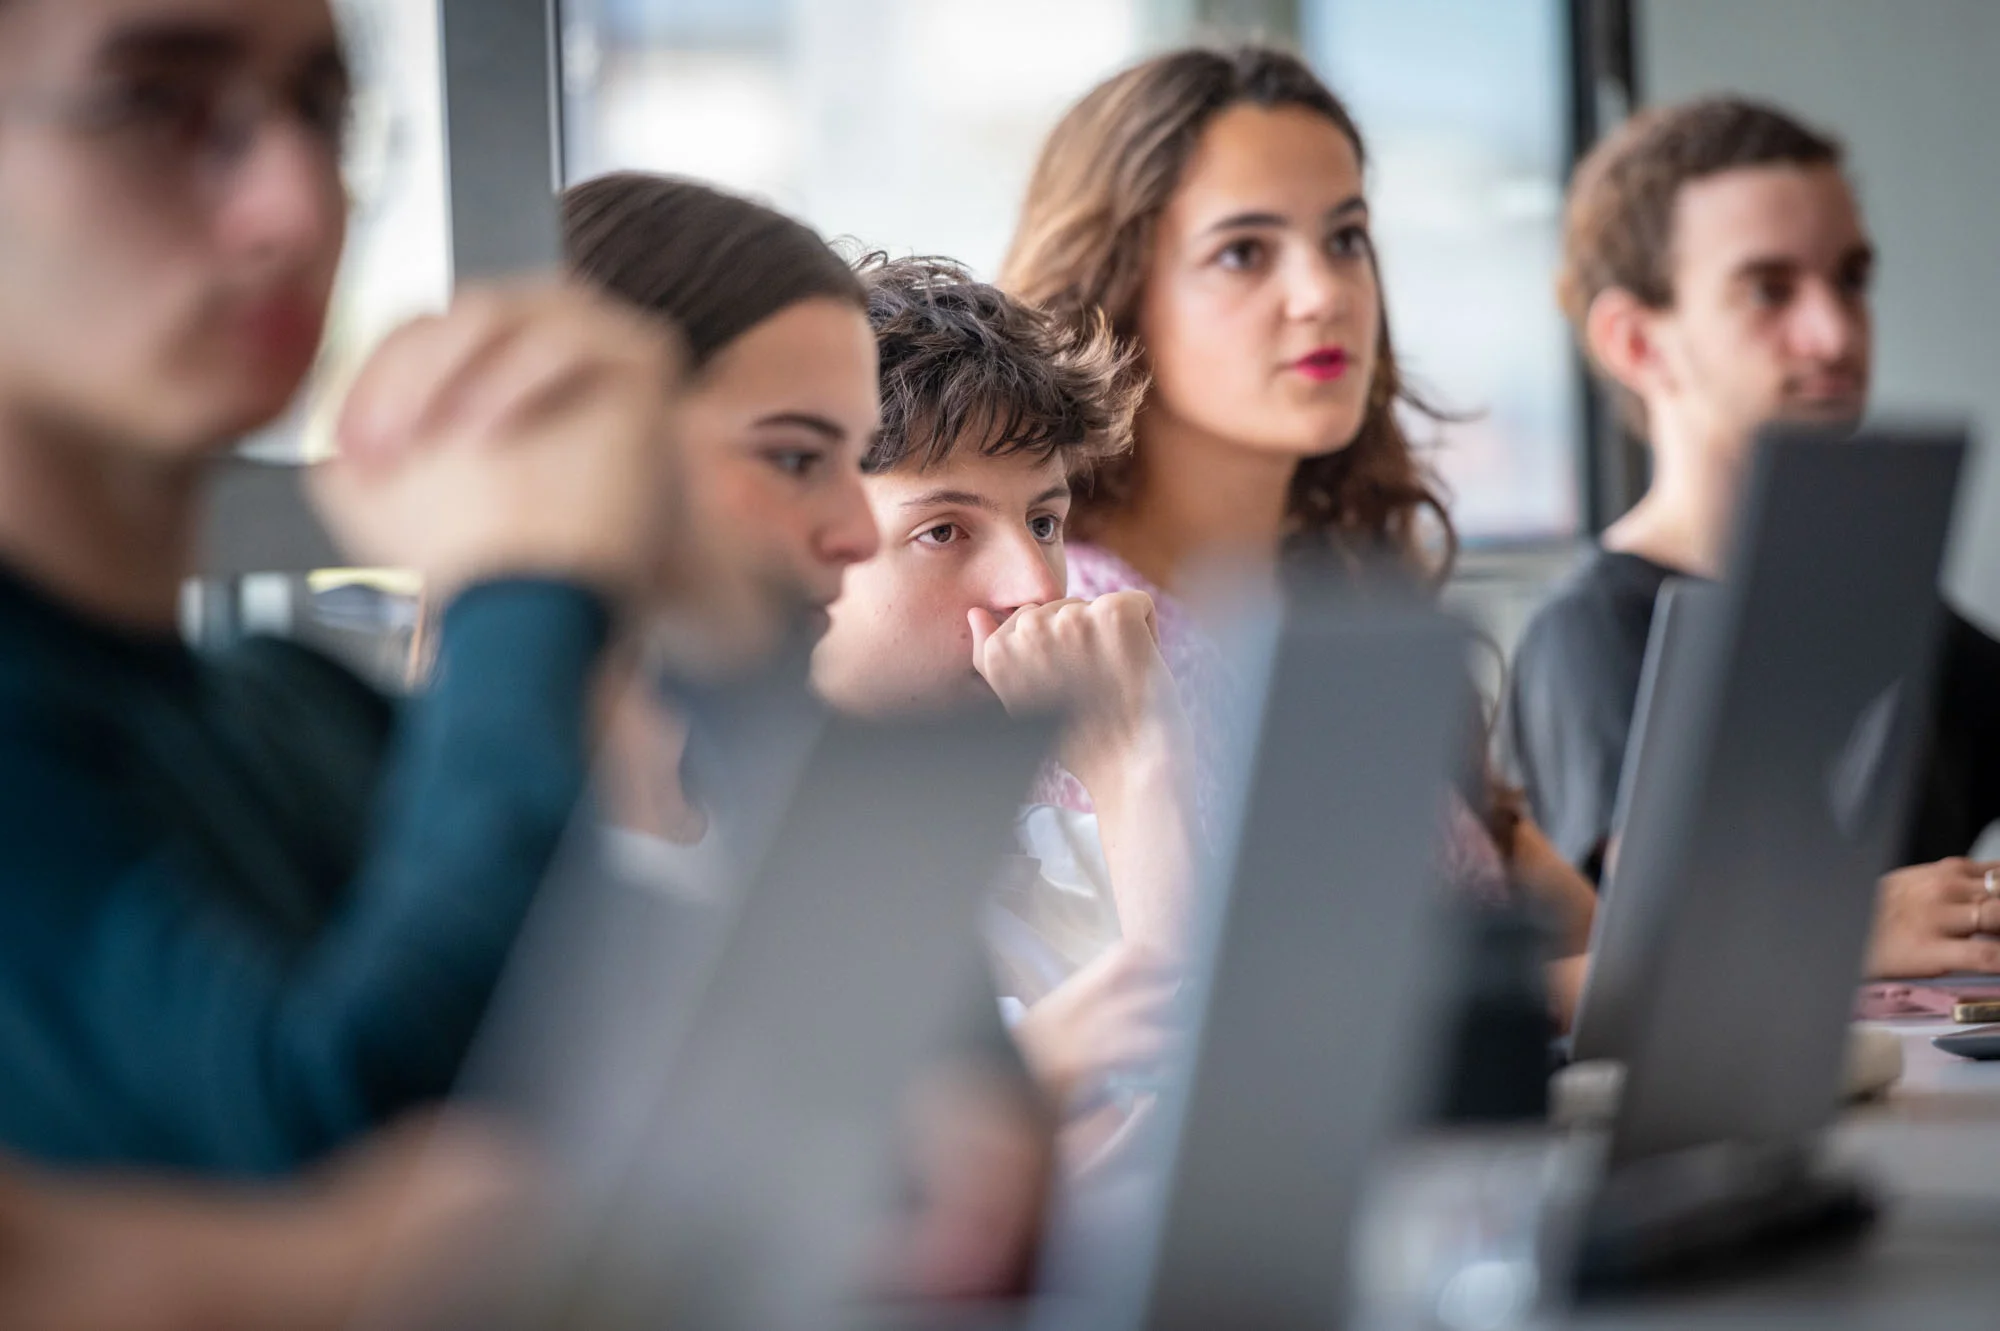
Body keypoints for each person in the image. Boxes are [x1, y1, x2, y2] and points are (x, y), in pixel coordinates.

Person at [0, 0, 680, 1173]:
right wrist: (522, 584)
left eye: (323, 110)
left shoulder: (290, 706)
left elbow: (668, 1034)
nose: (301, 208)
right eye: (158, 103)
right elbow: (344, 1130)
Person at [995, 45, 1599, 1021]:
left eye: (1346, 238)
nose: (1323, 292)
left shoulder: (1340, 594)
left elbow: (1579, 932)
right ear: (1115, 292)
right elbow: (1273, 1024)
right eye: (1244, 251)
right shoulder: (1085, 629)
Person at [1504, 96, 2000, 979]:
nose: (1835, 335)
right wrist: (1859, 922)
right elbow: (1674, 935)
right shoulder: (1591, 635)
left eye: (1850, 280)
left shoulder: (1898, 614)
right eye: (1769, 290)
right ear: (1635, 342)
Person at [810, 253, 1190, 1112]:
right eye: (944, 531)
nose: (1035, 587)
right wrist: (1133, 766)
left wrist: (1140, 774)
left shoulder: (1073, 853)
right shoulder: (727, 896)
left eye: (1044, 522)